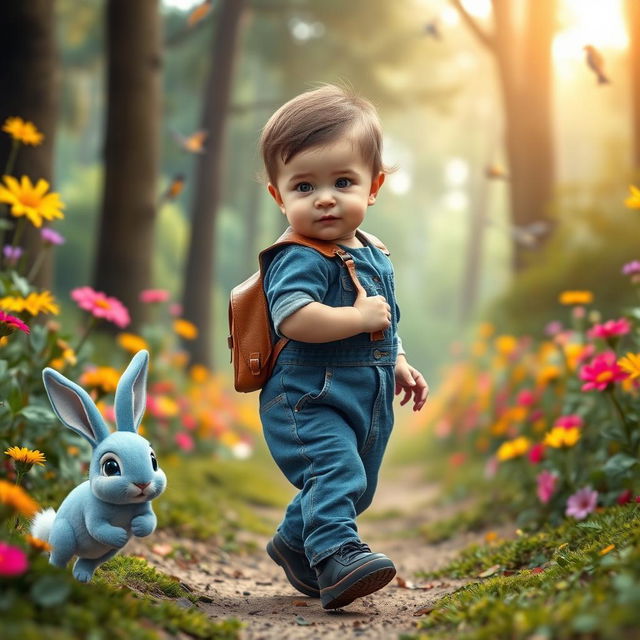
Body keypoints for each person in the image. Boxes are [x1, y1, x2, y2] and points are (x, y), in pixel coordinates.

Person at [258, 84, 429, 610]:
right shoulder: (300, 257)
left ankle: (293, 542)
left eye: (343, 181)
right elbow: (293, 318)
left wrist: (398, 360)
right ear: (278, 195)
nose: (325, 197)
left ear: (373, 187)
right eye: (304, 185)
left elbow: (386, 323)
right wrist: (355, 317)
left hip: (365, 388)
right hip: (306, 394)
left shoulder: (374, 251)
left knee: (356, 484)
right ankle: (336, 559)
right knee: (337, 472)